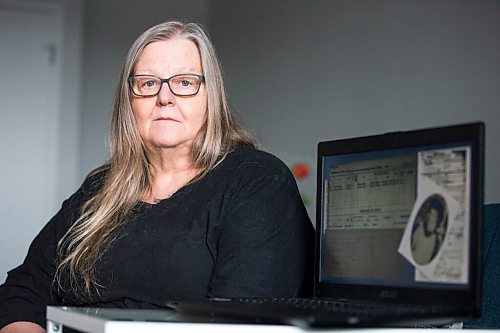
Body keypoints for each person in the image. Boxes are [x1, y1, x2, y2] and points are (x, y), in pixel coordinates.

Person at [0, 21, 313, 333]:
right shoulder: (100, 188)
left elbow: (239, 325)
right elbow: (24, 287)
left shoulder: (257, 182)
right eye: (148, 83)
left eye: (185, 82)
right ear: (130, 100)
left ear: (211, 96)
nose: (165, 97)